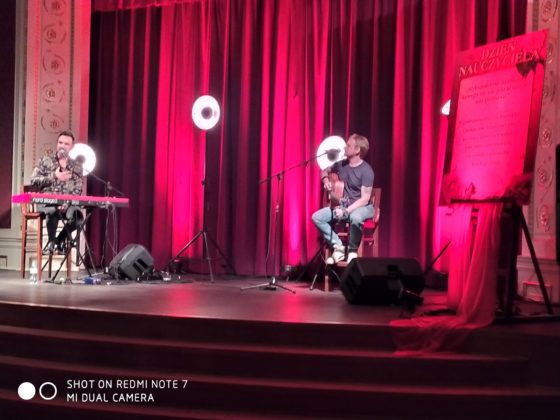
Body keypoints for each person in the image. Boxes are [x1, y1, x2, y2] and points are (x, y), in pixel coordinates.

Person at [312, 133, 374, 264]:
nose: (344, 147)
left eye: (348, 145)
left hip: (363, 207)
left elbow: (364, 199)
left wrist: (346, 211)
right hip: (345, 205)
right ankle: (338, 246)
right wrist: (326, 181)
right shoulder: (342, 164)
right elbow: (324, 170)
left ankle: (352, 251)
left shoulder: (366, 170)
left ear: (357, 150)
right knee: (317, 217)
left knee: (355, 217)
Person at [30, 130, 84, 255]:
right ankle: (51, 241)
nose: (62, 146)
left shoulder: (76, 166)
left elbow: (78, 188)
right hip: (47, 203)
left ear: (72, 147)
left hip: (67, 203)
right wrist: (54, 176)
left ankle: (58, 241)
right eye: (60, 142)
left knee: (78, 218)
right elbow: (33, 180)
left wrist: (67, 203)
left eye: (66, 144)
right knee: (53, 211)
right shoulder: (45, 161)